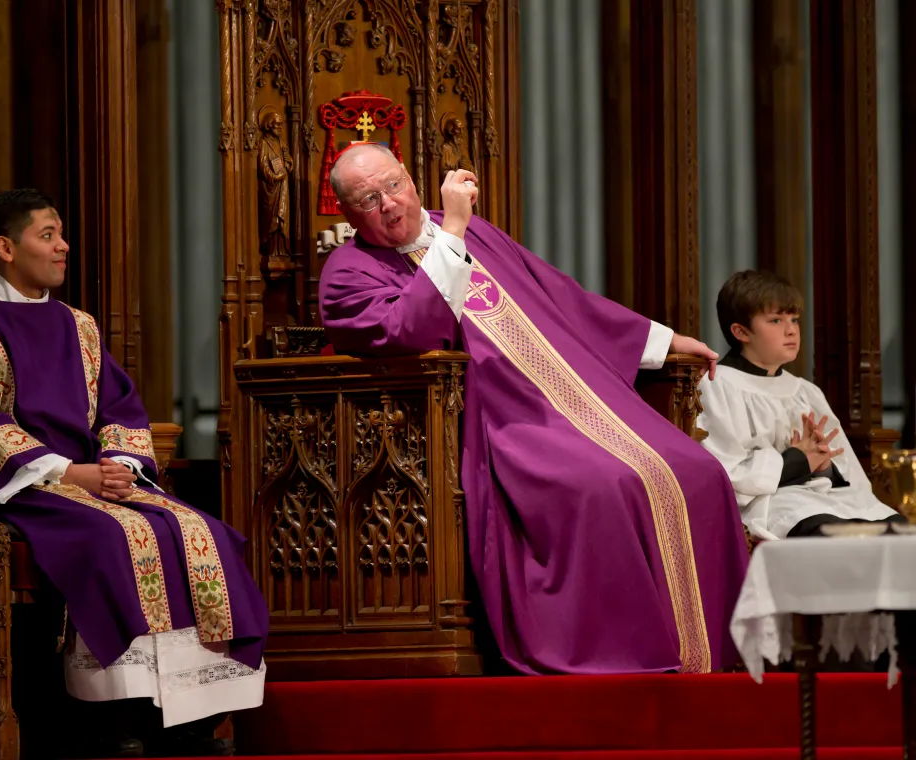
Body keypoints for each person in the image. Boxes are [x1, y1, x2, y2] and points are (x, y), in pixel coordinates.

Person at [318, 143, 749, 675]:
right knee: (605, 485)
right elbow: (415, 329)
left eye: (394, 185)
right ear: (346, 212)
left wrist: (663, 340)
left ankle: (719, 659)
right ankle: (629, 657)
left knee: (700, 471)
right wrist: (452, 231)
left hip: (583, 398)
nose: (389, 204)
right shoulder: (348, 274)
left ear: (409, 177)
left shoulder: (473, 230)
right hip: (495, 424)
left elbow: (560, 296)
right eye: (368, 199)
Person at [0, 189, 268, 758]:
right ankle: (108, 717)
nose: (63, 247)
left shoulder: (79, 325)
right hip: (21, 486)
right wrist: (72, 476)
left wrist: (120, 465)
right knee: (114, 536)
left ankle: (184, 718)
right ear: (6, 248)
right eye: (47, 235)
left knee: (198, 531)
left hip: (96, 477)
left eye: (61, 234)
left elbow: (119, 408)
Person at [696, 270, 901, 540]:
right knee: (837, 537)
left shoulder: (805, 391)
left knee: (898, 529)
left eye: (794, 319)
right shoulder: (716, 385)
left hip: (829, 498)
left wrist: (824, 465)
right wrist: (797, 460)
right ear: (741, 331)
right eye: (776, 320)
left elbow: (848, 470)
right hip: (773, 505)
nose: (791, 329)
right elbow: (726, 473)